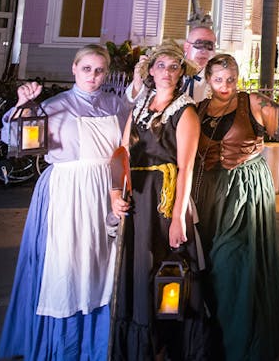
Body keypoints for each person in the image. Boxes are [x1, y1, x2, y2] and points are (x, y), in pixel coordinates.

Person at [0, 44, 132, 361]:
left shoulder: (117, 105)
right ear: (74, 68)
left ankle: (99, 343)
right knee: (66, 265)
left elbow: (126, 149)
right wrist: (23, 105)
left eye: (100, 70)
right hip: (67, 193)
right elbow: (15, 139)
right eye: (86, 68)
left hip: (106, 192)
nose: (93, 76)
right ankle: (63, 346)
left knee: (102, 264)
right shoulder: (55, 106)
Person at [111, 41, 207, 361]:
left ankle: (165, 345)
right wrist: (115, 193)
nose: (167, 72)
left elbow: (187, 166)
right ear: (151, 70)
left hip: (163, 203)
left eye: (174, 66)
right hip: (137, 199)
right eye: (161, 65)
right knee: (136, 272)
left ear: (181, 73)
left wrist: (178, 216)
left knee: (162, 271)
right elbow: (122, 152)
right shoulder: (141, 105)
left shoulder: (186, 110)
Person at [193, 54, 279, 361]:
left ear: (238, 77)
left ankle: (242, 348)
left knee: (233, 265)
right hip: (207, 196)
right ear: (208, 80)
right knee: (207, 269)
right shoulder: (199, 109)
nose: (225, 86)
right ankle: (213, 346)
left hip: (243, 195)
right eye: (218, 79)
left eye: (230, 79)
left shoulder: (253, 103)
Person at [128, 23, 218, 103]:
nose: (203, 51)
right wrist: (137, 83)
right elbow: (129, 105)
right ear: (187, 46)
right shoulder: (162, 67)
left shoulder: (218, 79)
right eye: (199, 44)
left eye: (209, 46)